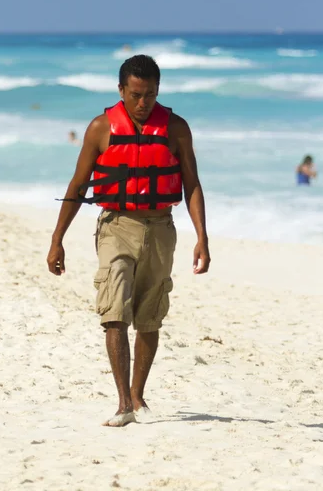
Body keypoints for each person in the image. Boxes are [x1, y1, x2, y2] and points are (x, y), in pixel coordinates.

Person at [47, 55, 210, 427]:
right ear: (121, 90)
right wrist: (57, 239)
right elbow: (78, 185)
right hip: (116, 225)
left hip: (160, 227)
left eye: (150, 95)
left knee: (149, 316)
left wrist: (202, 237)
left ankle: (138, 396)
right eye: (136, 94)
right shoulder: (100, 128)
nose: (143, 103)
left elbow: (191, 184)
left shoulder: (176, 128)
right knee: (114, 311)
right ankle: (123, 403)